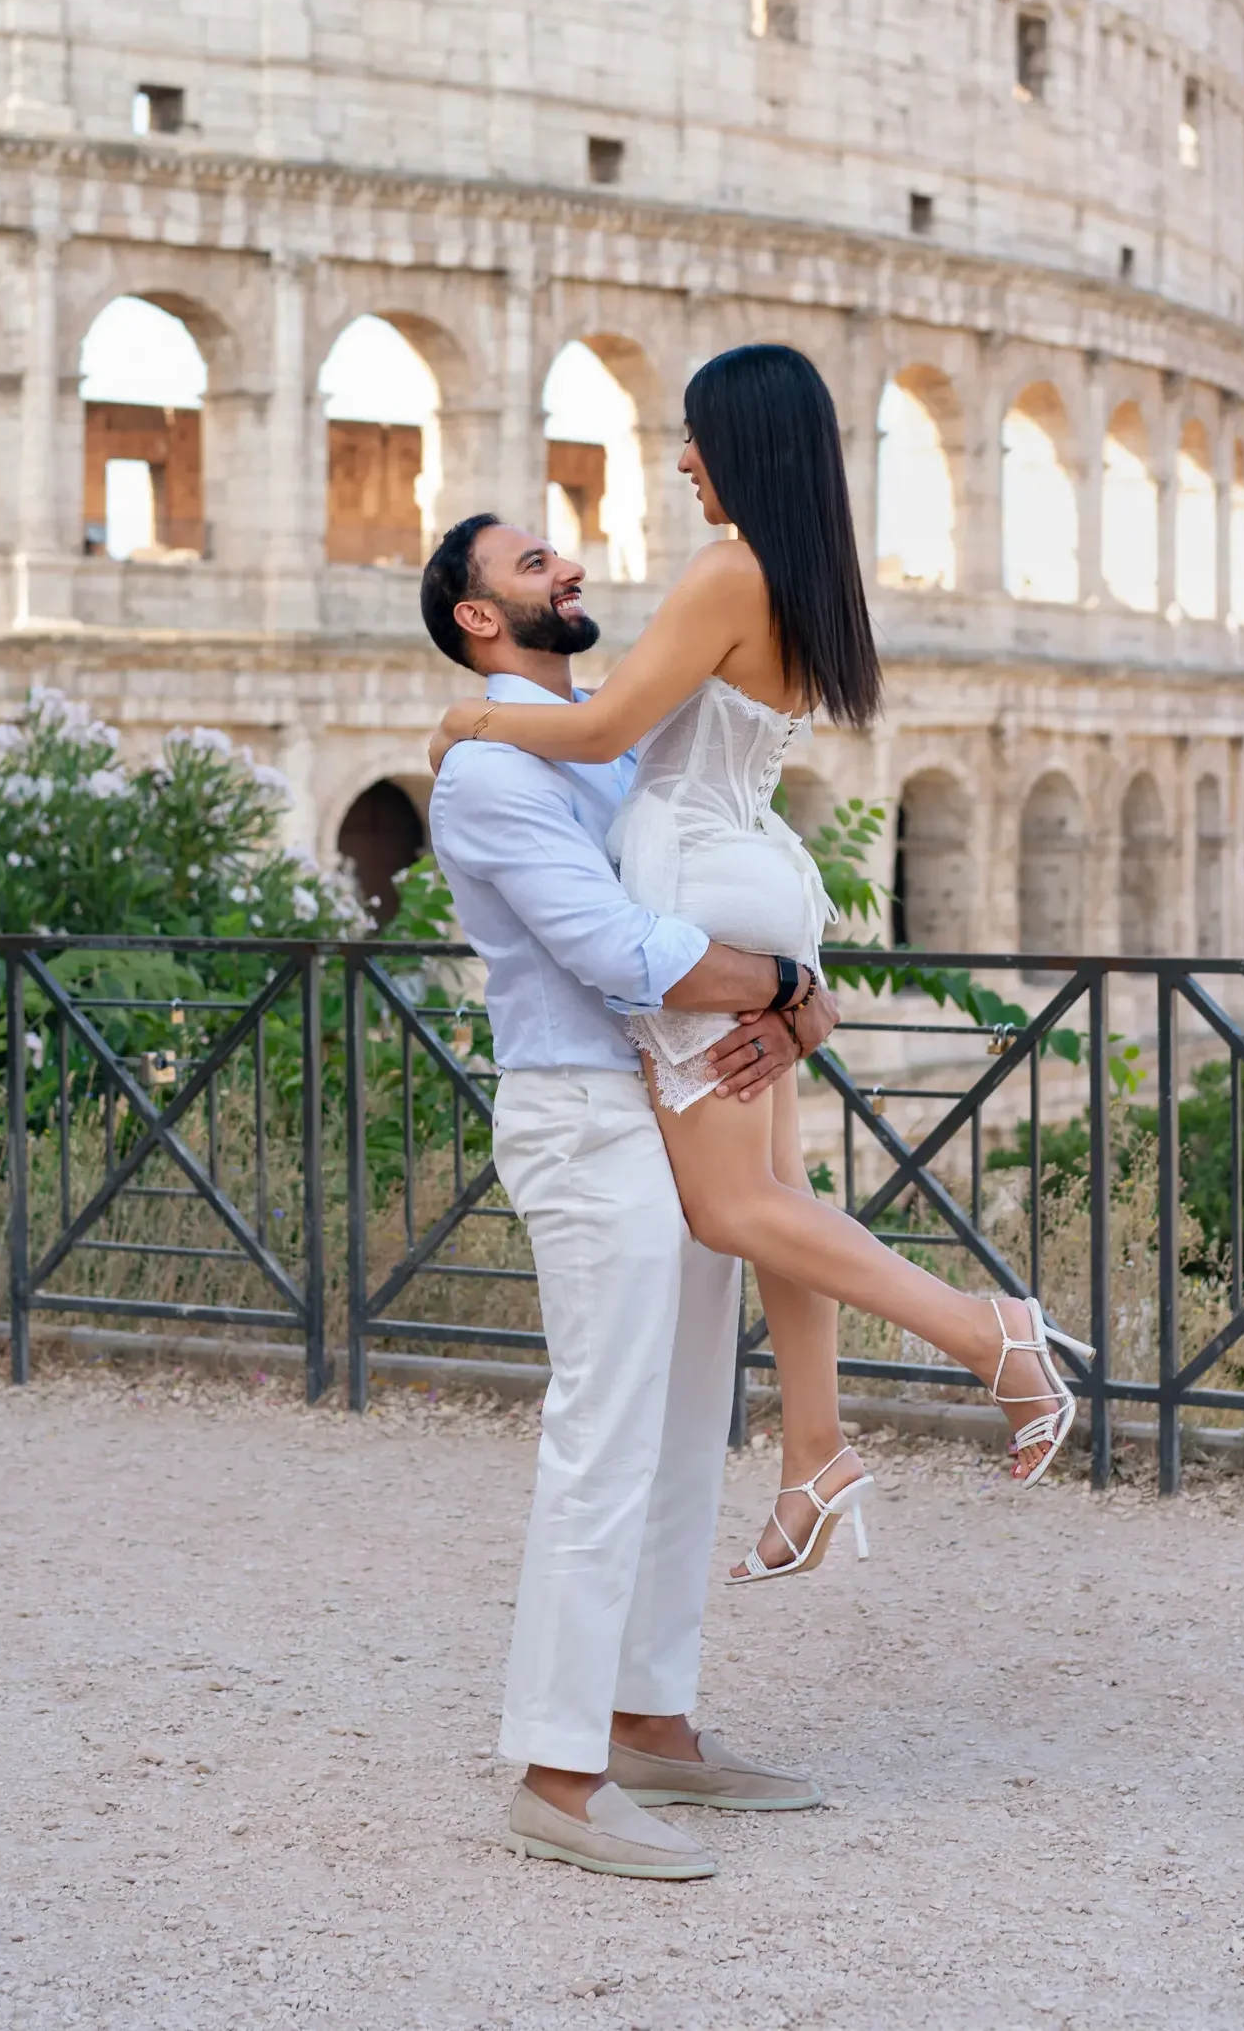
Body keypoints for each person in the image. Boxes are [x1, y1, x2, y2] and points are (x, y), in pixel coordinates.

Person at [430, 342, 1094, 1530]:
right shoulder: (799, 575)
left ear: (743, 444)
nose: (680, 459)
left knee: (730, 1210)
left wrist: (465, 720)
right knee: (781, 1191)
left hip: (696, 881)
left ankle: (985, 1332)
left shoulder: (725, 571)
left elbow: (603, 736)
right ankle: (814, 1455)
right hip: (750, 869)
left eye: (692, 436)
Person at [421, 511, 846, 1881]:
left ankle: (649, 1719)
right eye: (534, 563)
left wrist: (795, 997)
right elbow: (620, 947)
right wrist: (780, 985)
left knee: (675, 1434)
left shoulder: (607, 748)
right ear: (479, 617)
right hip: (585, 1118)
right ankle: (553, 1770)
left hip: (677, 1108)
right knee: (600, 1436)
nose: (571, 570)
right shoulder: (491, 775)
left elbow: (714, 888)